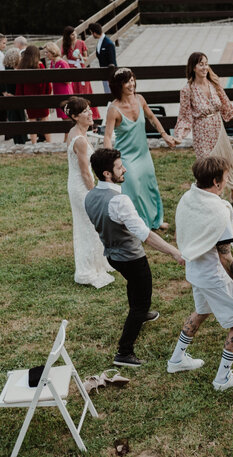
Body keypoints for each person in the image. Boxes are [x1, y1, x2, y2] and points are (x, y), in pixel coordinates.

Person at [85, 148, 185, 367]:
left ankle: (141, 314)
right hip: (132, 258)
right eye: (119, 167)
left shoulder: (91, 195)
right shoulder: (119, 201)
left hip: (112, 256)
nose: (124, 169)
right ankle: (124, 352)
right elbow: (146, 235)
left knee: (134, 286)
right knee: (141, 301)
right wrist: (174, 252)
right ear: (107, 174)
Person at [169, 156, 233, 390]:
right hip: (213, 276)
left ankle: (177, 359)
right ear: (217, 182)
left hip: (194, 271)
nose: (228, 180)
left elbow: (179, 235)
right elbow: (225, 256)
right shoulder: (219, 210)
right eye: (226, 177)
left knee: (201, 311)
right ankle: (222, 379)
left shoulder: (188, 197)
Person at [104, 67, 177, 230]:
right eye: (126, 82)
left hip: (143, 154)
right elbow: (108, 136)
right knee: (135, 191)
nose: (131, 84)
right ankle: (138, 225)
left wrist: (165, 135)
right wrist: (110, 160)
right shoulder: (113, 110)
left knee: (150, 186)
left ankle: (156, 221)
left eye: (132, 80)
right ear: (119, 86)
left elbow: (151, 117)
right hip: (126, 156)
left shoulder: (140, 99)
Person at [174, 52, 233, 206]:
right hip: (202, 132)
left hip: (218, 128)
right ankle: (208, 200)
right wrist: (179, 136)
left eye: (206, 64)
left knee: (227, 162)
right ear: (193, 67)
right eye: (201, 64)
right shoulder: (187, 90)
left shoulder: (214, 83)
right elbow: (184, 116)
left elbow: (226, 105)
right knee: (207, 167)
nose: (204, 67)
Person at [64, 96, 115, 289]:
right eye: (85, 111)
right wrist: (95, 194)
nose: (90, 113)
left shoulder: (74, 132)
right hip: (82, 186)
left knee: (88, 225)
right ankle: (87, 270)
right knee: (88, 226)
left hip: (75, 184)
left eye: (89, 109)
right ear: (76, 116)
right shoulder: (80, 141)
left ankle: (97, 261)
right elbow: (85, 172)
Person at [62, 26, 100, 119]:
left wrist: (80, 57)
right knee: (74, 91)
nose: (74, 35)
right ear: (68, 36)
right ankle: (76, 114)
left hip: (80, 67)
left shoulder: (81, 43)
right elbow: (61, 56)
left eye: (75, 33)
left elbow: (86, 58)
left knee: (85, 90)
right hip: (71, 69)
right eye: (72, 34)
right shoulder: (65, 45)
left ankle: (92, 115)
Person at [16, 45, 51, 144]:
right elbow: (47, 84)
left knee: (32, 120)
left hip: (29, 99)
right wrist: (48, 94)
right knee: (45, 119)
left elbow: (19, 86)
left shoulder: (22, 67)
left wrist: (19, 97)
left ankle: (34, 144)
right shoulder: (40, 66)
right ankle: (49, 142)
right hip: (42, 98)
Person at [45, 42, 74, 140]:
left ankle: (67, 140)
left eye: (47, 52)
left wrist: (60, 74)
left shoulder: (62, 63)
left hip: (65, 92)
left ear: (52, 52)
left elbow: (69, 81)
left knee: (67, 117)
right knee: (63, 118)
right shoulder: (53, 63)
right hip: (57, 92)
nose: (46, 55)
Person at [88, 22, 117, 94]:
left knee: (111, 92)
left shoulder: (109, 43)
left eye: (91, 33)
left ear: (94, 33)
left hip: (109, 73)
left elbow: (112, 61)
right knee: (106, 91)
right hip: (103, 71)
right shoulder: (100, 42)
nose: (92, 35)